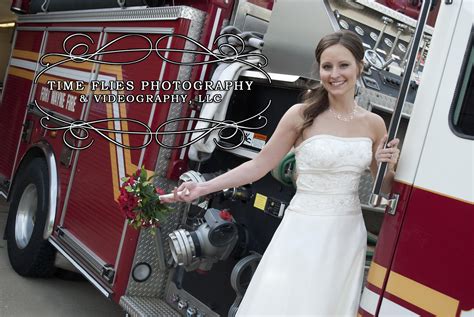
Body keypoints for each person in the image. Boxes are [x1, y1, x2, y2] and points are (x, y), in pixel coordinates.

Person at [162, 30, 400, 316]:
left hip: (346, 235)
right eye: (327, 66)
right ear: (319, 70)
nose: (335, 74)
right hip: (301, 230)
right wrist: (203, 188)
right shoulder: (301, 115)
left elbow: (382, 190)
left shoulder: (375, 124)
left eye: (344, 65)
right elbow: (257, 166)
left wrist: (388, 165)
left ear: (360, 67)